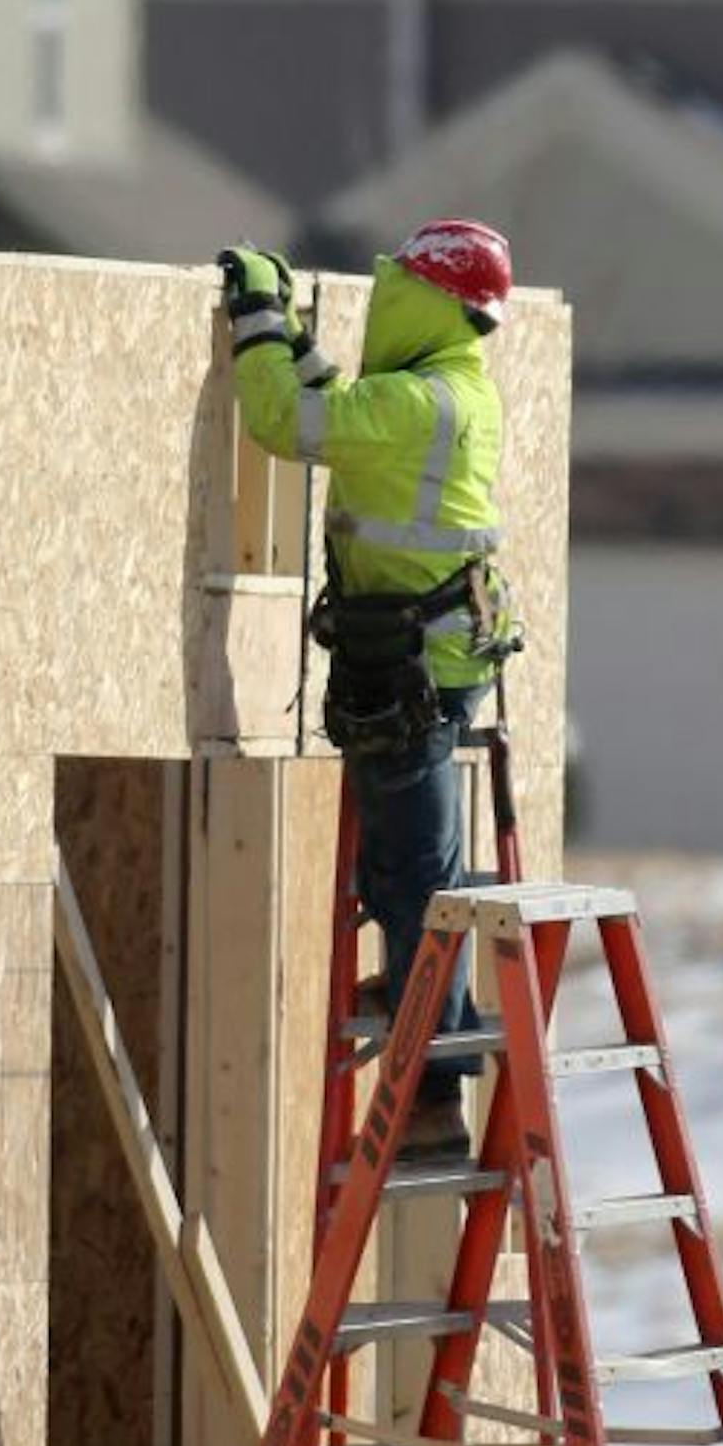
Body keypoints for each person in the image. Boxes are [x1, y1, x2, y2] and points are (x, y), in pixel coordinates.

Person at [218, 221, 514, 1154]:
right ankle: (423, 998)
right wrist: (296, 344)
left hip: (415, 668)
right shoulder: (440, 391)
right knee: (412, 866)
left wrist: (259, 321)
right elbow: (339, 407)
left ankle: (435, 1091)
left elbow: (292, 423)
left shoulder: (420, 402)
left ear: (426, 299)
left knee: (419, 876)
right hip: (433, 656)